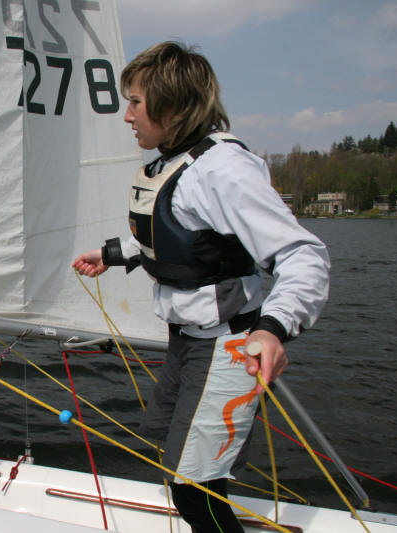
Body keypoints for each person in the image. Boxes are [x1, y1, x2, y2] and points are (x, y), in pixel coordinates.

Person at [72, 42, 330, 533]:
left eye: (136, 102)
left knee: (194, 489)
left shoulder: (223, 170)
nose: (127, 116)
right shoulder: (175, 164)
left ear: (172, 106)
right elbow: (175, 236)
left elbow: (304, 255)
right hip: (187, 343)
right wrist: (111, 255)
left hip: (228, 346)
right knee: (176, 461)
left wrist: (274, 329)